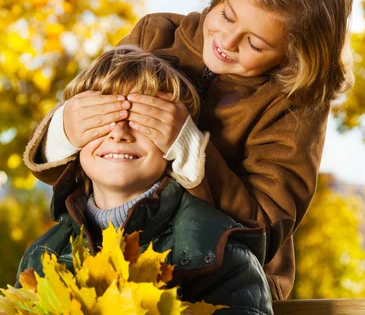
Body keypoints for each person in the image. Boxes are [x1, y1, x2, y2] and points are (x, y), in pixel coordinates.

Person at [24, 0, 354, 300]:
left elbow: (265, 226)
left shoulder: (293, 105)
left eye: (255, 44)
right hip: (110, 252)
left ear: (295, 58)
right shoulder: (155, 34)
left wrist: (191, 149)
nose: (227, 40)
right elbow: (96, 156)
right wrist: (67, 129)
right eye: (226, 15)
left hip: (217, 281)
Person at [17, 46, 273, 315]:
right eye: (101, 118)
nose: (119, 133)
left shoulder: (221, 254)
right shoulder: (43, 255)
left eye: (142, 119)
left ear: (173, 141)